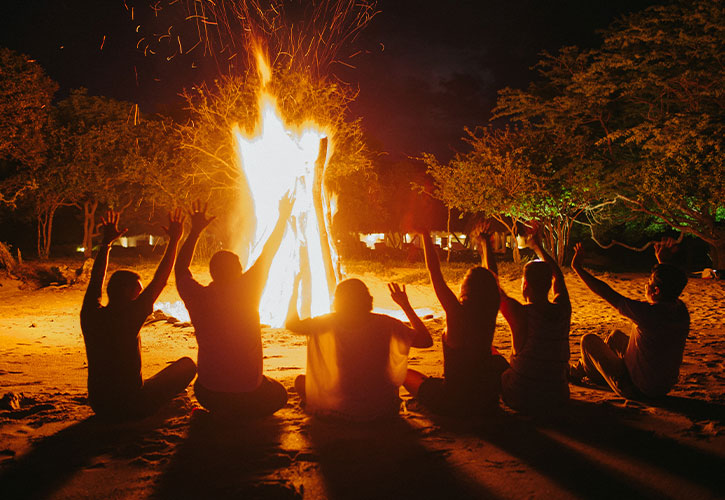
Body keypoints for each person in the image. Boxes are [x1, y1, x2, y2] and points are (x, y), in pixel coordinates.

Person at [175, 197, 293, 418]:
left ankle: (225, 413)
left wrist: (194, 232)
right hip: (249, 392)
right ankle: (243, 412)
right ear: (239, 270)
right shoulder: (248, 289)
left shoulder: (197, 297)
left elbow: (180, 268)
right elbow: (268, 252)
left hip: (209, 394)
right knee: (279, 394)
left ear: (212, 273)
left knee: (201, 385)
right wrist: (283, 217)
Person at [81, 209, 196, 420]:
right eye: (138, 290)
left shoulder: (90, 314)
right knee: (187, 365)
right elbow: (160, 279)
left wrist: (106, 243)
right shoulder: (129, 317)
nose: (141, 294)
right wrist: (174, 241)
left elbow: (95, 280)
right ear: (126, 292)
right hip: (131, 404)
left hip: (99, 403)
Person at [286, 278, 433, 421]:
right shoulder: (386, 323)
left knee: (301, 381)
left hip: (340, 409)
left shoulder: (327, 322)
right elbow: (425, 341)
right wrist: (405, 305)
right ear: (367, 299)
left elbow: (292, 324)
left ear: (337, 301)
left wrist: (294, 293)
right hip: (382, 410)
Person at [403, 225, 507, 416]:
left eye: (465, 279)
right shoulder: (489, 311)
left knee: (405, 373)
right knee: (495, 357)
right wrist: (486, 245)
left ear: (465, 289)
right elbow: (493, 277)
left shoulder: (456, 314)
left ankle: (424, 402)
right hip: (485, 397)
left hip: (454, 400)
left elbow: (435, 273)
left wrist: (425, 234)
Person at [569, 238, 689, 399]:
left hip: (636, 388)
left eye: (649, 282)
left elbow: (606, 292)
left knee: (588, 341)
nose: (646, 285)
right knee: (615, 337)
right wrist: (663, 263)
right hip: (661, 386)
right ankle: (585, 370)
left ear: (656, 291)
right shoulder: (680, 310)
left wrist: (577, 268)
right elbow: (671, 284)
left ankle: (576, 373)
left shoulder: (648, 314)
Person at [498, 223, 571, 413]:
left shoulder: (521, 313)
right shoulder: (563, 310)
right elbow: (559, 277)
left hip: (522, 398)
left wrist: (485, 246)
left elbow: (494, 288)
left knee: (492, 358)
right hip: (558, 397)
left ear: (525, 285)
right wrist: (538, 247)